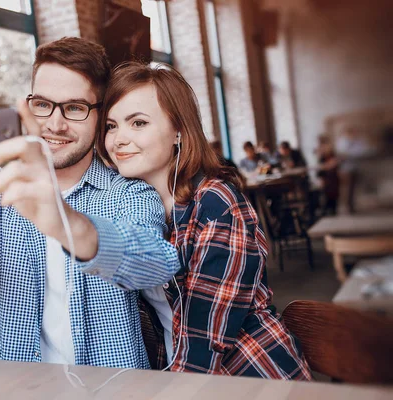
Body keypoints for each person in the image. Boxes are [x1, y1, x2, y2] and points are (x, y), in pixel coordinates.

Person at [0, 37, 179, 369]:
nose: (54, 125)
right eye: (43, 104)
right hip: (7, 386)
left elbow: (155, 263)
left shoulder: (128, 192)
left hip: (111, 386)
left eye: (74, 108)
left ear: (100, 116)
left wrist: (65, 222)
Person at [98, 61, 311, 379]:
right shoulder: (135, 206)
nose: (118, 139)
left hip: (249, 375)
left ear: (178, 131)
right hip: (178, 370)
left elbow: (203, 337)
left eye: (138, 123)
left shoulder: (216, 203)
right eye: (111, 126)